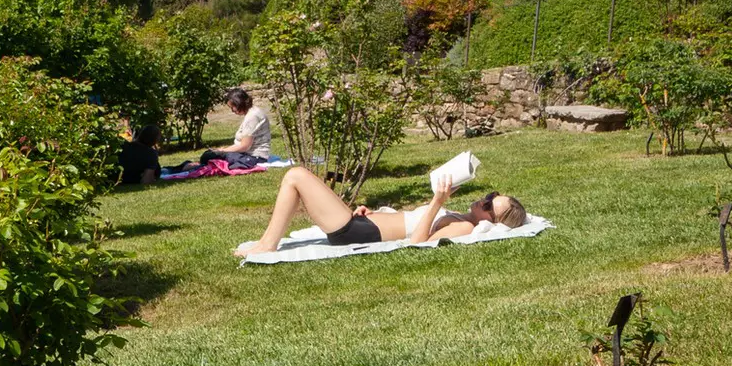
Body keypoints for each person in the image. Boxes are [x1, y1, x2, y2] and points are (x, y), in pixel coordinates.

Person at [236, 166, 529, 256]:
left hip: (357, 232)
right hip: (362, 221)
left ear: (491, 220)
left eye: (489, 205)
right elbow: (405, 219)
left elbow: (416, 242)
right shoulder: (462, 216)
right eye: (490, 196)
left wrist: (436, 203)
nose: (484, 200)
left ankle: (267, 246)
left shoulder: (465, 228)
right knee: (296, 177)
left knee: (296, 176)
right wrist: (374, 211)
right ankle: (266, 243)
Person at [200, 88, 271, 169]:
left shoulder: (252, 116)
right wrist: (223, 149)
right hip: (248, 155)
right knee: (210, 153)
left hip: (253, 158)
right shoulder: (252, 112)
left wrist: (222, 151)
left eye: (233, 107)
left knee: (208, 156)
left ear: (239, 103)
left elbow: (244, 146)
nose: (232, 111)